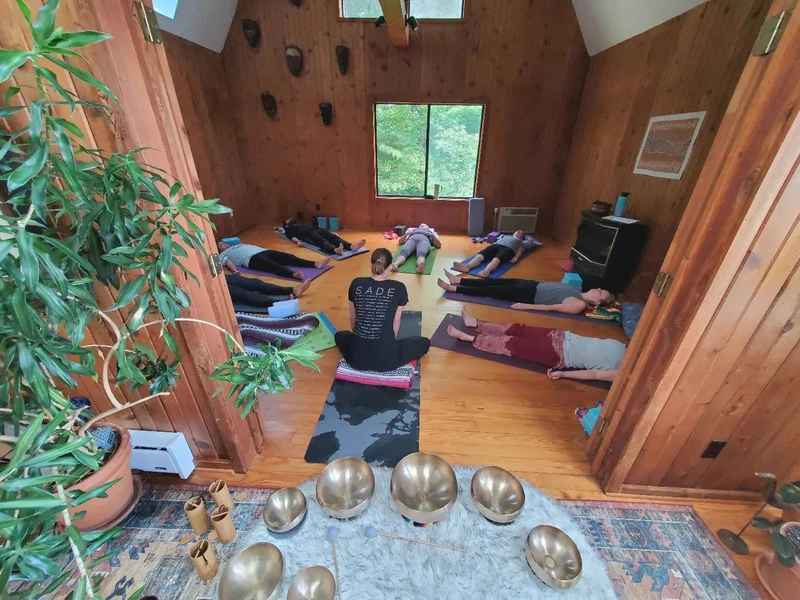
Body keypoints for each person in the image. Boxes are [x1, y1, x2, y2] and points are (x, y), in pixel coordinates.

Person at [446, 307, 625, 382]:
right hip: (562, 335)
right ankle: (475, 324)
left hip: (559, 355)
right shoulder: (626, 347)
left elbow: (593, 374)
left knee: (512, 344)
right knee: (516, 329)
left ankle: (468, 338)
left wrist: (562, 374)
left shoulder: (622, 374)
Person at [335, 248, 430, 372]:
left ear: (371, 264)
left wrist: (360, 340)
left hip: (356, 359)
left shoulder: (356, 283)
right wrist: (389, 343)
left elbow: (352, 318)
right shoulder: (399, 287)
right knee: (424, 342)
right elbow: (396, 322)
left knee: (339, 336)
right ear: (390, 267)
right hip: (387, 361)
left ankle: (360, 344)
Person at [437, 271, 615, 314]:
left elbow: (553, 308)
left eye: (601, 293)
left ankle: (454, 289)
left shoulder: (580, 303)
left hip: (529, 295)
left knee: (490, 290)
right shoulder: (578, 290)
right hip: (532, 285)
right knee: (493, 281)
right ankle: (458, 280)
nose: (598, 289)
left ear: (597, 303)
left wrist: (525, 306)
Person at [218, 240, 329, 280]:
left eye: (224, 242)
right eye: (221, 245)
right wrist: (234, 270)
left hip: (263, 251)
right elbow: (228, 262)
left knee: (289, 257)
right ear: (219, 249)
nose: (224, 244)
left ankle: (315, 264)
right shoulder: (223, 254)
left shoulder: (238, 244)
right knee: (272, 265)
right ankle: (293, 274)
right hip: (251, 259)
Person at [452, 230, 525, 277]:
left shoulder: (520, 242)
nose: (518, 232)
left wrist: (516, 257)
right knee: (480, 255)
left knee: (496, 259)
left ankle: (486, 271)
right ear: (513, 233)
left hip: (508, 249)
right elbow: (496, 241)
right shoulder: (504, 236)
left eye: (521, 232)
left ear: (522, 237)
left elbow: (521, 249)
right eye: (518, 231)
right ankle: (467, 267)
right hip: (496, 245)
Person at [278, 219, 366, 256]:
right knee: (320, 240)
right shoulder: (288, 231)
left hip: (316, 229)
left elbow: (279, 227)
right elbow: (292, 238)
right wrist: (298, 242)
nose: (290, 219)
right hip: (308, 234)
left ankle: (351, 246)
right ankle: (335, 250)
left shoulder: (298, 224)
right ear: (286, 225)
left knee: (332, 236)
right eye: (288, 219)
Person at [225, 273, 310, 308]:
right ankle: (277, 303)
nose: (223, 244)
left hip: (221, 277)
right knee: (242, 293)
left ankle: (293, 290)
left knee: (255, 283)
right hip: (214, 286)